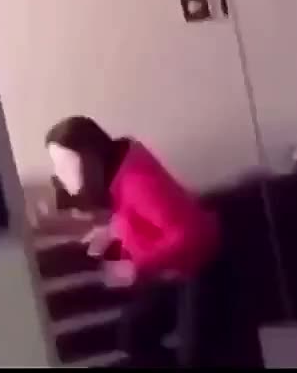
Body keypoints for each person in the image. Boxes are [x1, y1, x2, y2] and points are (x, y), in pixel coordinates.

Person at [43, 116, 221, 366]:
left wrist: (135, 266)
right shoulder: (116, 176)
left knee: (191, 357)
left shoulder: (136, 181)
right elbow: (134, 216)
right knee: (134, 333)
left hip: (201, 270)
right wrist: (110, 233)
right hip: (173, 274)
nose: (60, 175)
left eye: (65, 165)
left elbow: (192, 234)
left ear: (91, 158)